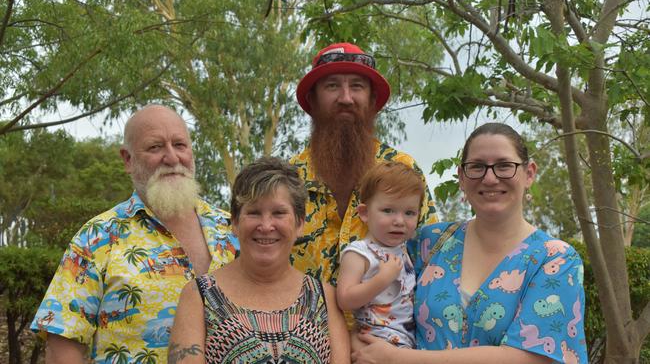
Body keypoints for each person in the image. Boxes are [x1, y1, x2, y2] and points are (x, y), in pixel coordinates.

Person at [352, 123, 588, 363]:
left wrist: (398, 359)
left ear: (529, 174)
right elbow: (374, 304)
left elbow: (534, 358)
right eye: (477, 167)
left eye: (504, 166)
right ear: (461, 177)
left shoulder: (555, 260)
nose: (490, 178)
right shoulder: (429, 242)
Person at [30, 105, 238, 363]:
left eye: (180, 144)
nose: (172, 158)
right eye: (155, 147)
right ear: (128, 159)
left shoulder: (233, 229)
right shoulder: (97, 237)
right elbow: (63, 343)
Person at [168, 157, 349, 363]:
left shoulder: (326, 299)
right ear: (235, 222)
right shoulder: (198, 296)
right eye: (253, 213)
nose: (265, 225)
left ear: (300, 223)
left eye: (279, 213)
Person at [290, 42, 437, 286]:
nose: (346, 98)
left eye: (357, 86)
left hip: (390, 324)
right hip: (305, 324)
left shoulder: (402, 169)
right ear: (312, 99)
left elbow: (431, 258)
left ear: (372, 99)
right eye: (332, 86)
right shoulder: (288, 179)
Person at [337, 162, 424, 348]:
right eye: (388, 210)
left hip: (406, 345)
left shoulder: (406, 249)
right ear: (364, 213)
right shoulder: (359, 253)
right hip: (373, 341)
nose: (399, 221)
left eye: (409, 212)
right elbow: (344, 299)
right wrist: (382, 279)